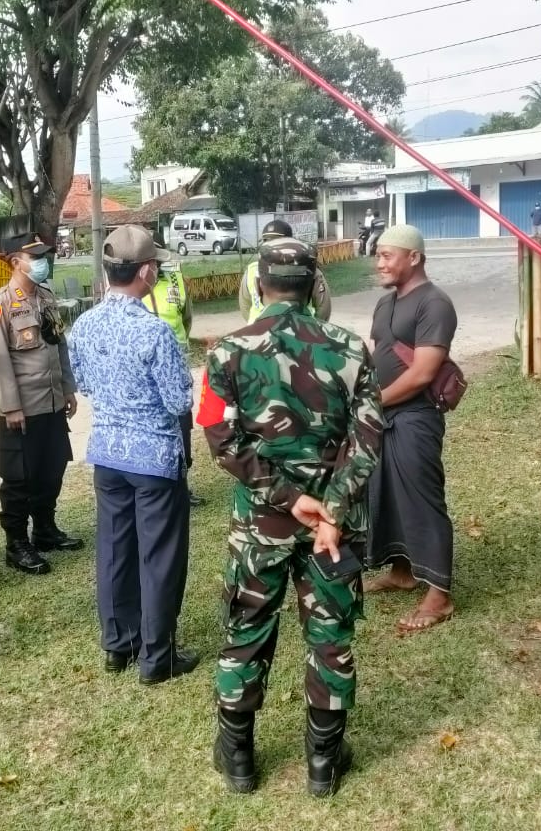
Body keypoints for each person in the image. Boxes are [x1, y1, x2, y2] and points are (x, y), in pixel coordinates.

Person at [202, 236, 383, 797]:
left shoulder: (226, 351)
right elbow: (369, 436)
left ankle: (238, 761)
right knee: (330, 636)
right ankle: (322, 766)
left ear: (258, 284)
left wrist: (284, 496)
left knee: (247, 631)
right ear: (316, 286)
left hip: (262, 523)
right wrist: (329, 507)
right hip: (332, 526)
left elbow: (219, 437)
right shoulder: (351, 348)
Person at [68, 225, 197, 685]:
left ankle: (117, 645)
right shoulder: (155, 331)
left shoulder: (82, 324)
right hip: (155, 458)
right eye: (155, 267)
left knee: (115, 550)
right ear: (145, 272)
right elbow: (179, 401)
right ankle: (156, 657)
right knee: (159, 556)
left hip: (107, 453)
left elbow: (82, 384)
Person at [361, 224, 459, 633]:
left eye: (387, 255)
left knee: (421, 497)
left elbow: (422, 374)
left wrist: (373, 401)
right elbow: (372, 351)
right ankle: (402, 570)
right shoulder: (385, 304)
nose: (379, 262)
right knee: (386, 491)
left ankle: (439, 594)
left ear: (414, 258)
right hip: (383, 416)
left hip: (416, 417)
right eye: (378, 254)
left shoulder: (434, 304)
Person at [0, 234, 81, 576]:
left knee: (52, 468)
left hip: (52, 401)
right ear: (15, 263)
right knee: (18, 477)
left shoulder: (47, 298)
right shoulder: (0, 306)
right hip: (22, 408)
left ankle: (44, 529)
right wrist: (10, 407)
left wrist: (68, 387)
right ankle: (16, 543)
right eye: (35, 256)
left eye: (44, 254)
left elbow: (59, 346)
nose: (43, 261)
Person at [142, 245, 204, 509]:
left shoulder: (176, 279)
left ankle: (182, 485)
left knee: (182, 425)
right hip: (146, 371)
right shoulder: (128, 284)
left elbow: (186, 318)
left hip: (176, 364)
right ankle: (157, 485)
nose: (157, 267)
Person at [238, 219, 332, 323]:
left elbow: (323, 307)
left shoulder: (311, 271)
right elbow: (245, 306)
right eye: (266, 240)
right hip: (299, 331)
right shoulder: (252, 270)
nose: (270, 244)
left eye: (276, 240)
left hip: (261, 333)